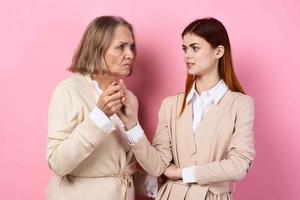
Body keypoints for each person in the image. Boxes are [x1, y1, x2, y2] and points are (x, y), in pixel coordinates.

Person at [118, 17, 256, 200]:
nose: (187, 56)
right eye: (184, 49)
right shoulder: (170, 105)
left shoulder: (240, 104)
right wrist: (132, 125)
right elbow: (157, 166)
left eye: (195, 48)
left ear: (219, 51)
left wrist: (183, 173)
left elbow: (239, 165)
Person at [46, 16, 143, 200]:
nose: (130, 54)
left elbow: (117, 169)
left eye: (132, 47)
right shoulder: (68, 91)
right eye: (120, 47)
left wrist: (160, 181)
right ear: (97, 50)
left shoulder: (130, 99)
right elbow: (57, 163)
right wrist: (99, 116)